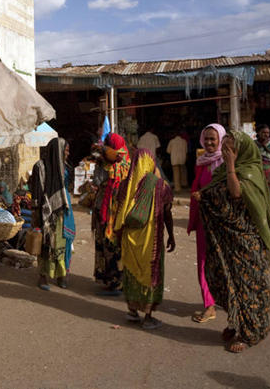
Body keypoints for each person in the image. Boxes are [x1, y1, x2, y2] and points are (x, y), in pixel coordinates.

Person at [199, 131, 270, 353]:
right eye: (225, 148)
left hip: (247, 242)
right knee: (230, 282)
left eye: (230, 149)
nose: (225, 152)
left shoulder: (249, 171)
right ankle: (236, 324)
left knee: (248, 288)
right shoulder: (223, 170)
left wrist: (231, 165)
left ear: (240, 150)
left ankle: (251, 333)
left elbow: (235, 194)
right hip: (229, 241)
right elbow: (213, 191)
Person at [113, 148, 175, 329]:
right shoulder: (159, 186)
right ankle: (148, 316)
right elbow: (167, 212)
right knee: (149, 274)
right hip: (150, 241)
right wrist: (171, 235)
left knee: (131, 272)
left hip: (128, 239)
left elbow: (118, 212)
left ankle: (132, 310)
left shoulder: (125, 185)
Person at [188, 124, 226, 324]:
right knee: (203, 263)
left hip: (222, 223)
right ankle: (209, 305)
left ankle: (228, 300)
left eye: (214, 139)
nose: (210, 143)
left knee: (223, 262)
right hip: (204, 221)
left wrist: (206, 196)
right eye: (207, 139)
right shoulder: (201, 162)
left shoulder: (226, 163)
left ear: (221, 139)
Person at [30, 137, 75, 290]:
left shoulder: (65, 168)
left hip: (62, 213)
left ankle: (61, 274)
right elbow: (35, 191)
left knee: (61, 245)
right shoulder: (40, 167)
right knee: (46, 245)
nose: (68, 154)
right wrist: (35, 213)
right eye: (66, 150)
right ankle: (43, 276)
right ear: (57, 151)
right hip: (46, 214)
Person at [91, 133, 131, 295]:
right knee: (118, 244)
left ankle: (113, 282)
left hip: (106, 210)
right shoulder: (127, 162)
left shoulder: (105, 164)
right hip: (121, 211)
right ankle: (119, 281)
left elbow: (96, 182)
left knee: (107, 244)